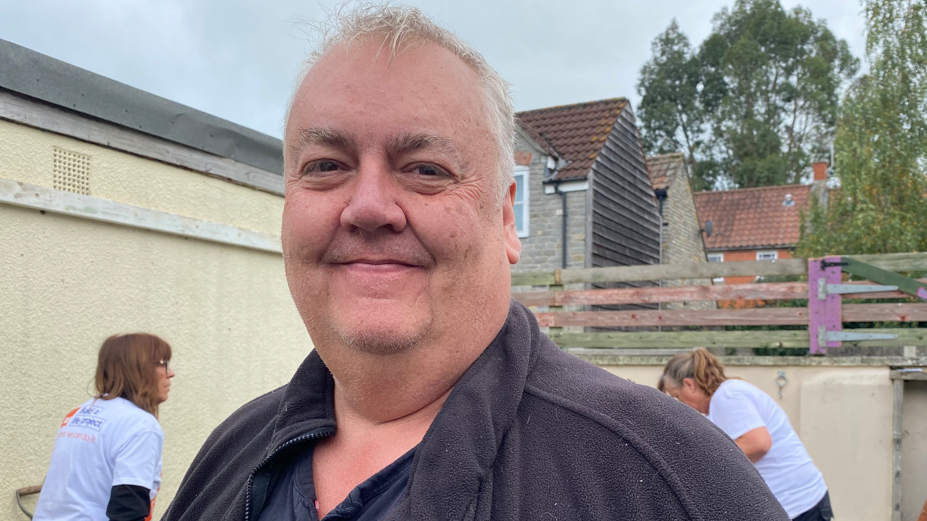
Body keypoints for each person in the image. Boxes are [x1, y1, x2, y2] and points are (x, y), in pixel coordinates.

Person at [163, 5, 787, 520]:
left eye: (426, 170)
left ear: (507, 217)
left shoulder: (668, 483)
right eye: (326, 165)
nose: (370, 206)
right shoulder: (227, 458)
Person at [659, 349, 832, 521]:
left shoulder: (728, 396)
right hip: (795, 504)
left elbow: (758, 443)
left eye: (676, 396)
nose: (680, 404)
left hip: (799, 506)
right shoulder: (722, 401)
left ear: (689, 384)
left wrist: (702, 465)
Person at [33, 333, 175, 521]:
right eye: (163, 363)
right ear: (140, 368)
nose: (171, 373)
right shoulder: (140, 424)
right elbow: (127, 509)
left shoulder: (77, 414)